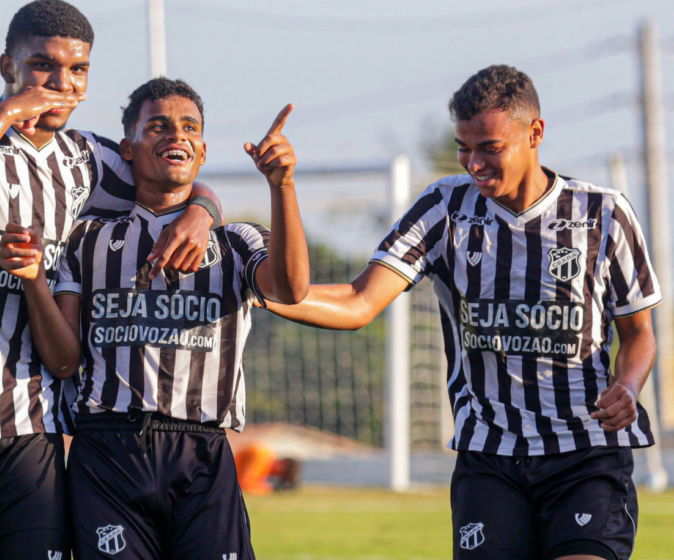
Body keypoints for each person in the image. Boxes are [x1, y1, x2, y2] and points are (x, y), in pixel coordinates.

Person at [263, 65, 659, 560]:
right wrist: (266, 292)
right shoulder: (445, 207)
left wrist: (628, 385)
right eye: (463, 148)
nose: (474, 163)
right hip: (490, 460)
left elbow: (639, 330)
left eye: (490, 148)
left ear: (535, 133)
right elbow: (359, 302)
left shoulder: (603, 212)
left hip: (585, 454)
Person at [0, 2, 222, 559]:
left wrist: (205, 209)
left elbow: (170, 174)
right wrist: (7, 113)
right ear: (8, 65)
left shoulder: (87, 158)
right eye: (43, 66)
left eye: (78, 70)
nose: (61, 83)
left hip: (31, 413)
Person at [0, 77, 310, 560]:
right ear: (128, 148)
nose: (176, 135)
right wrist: (34, 278)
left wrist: (282, 185)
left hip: (203, 451)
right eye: (158, 126)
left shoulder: (238, 242)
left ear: (202, 151)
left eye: (190, 127)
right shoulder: (87, 240)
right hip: (107, 451)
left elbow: (291, 289)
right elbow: (62, 363)